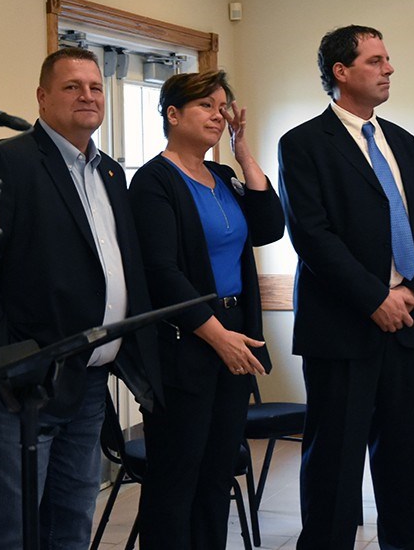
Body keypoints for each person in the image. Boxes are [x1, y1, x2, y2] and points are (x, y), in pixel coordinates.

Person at [0, 47, 162, 549]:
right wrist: (7, 362)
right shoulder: (4, 164)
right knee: (10, 530)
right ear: (41, 97)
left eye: (96, 87)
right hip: (23, 389)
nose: (88, 96)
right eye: (72, 86)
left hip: (90, 383)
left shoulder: (111, 173)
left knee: (73, 520)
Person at [277, 25, 414, 549]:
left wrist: (412, 291)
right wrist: (375, 299)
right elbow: (312, 235)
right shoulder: (303, 143)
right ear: (341, 72)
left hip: (406, 322)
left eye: (388, 59)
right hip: (344, 328)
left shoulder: (403, 141)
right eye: (375, 60)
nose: (389, 68)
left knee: (406, 462)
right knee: (335, 464)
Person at [129, 70, 284, 548]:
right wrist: (216, 335)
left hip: (236, 331)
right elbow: (161, 271)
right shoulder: (154, 180)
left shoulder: (223, 175)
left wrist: (244, 153)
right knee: (178, 476)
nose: (219, 114)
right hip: (188, 340)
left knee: (218, 472)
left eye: (224, 107)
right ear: (172, 115)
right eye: (206, 106)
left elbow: (270, 227)